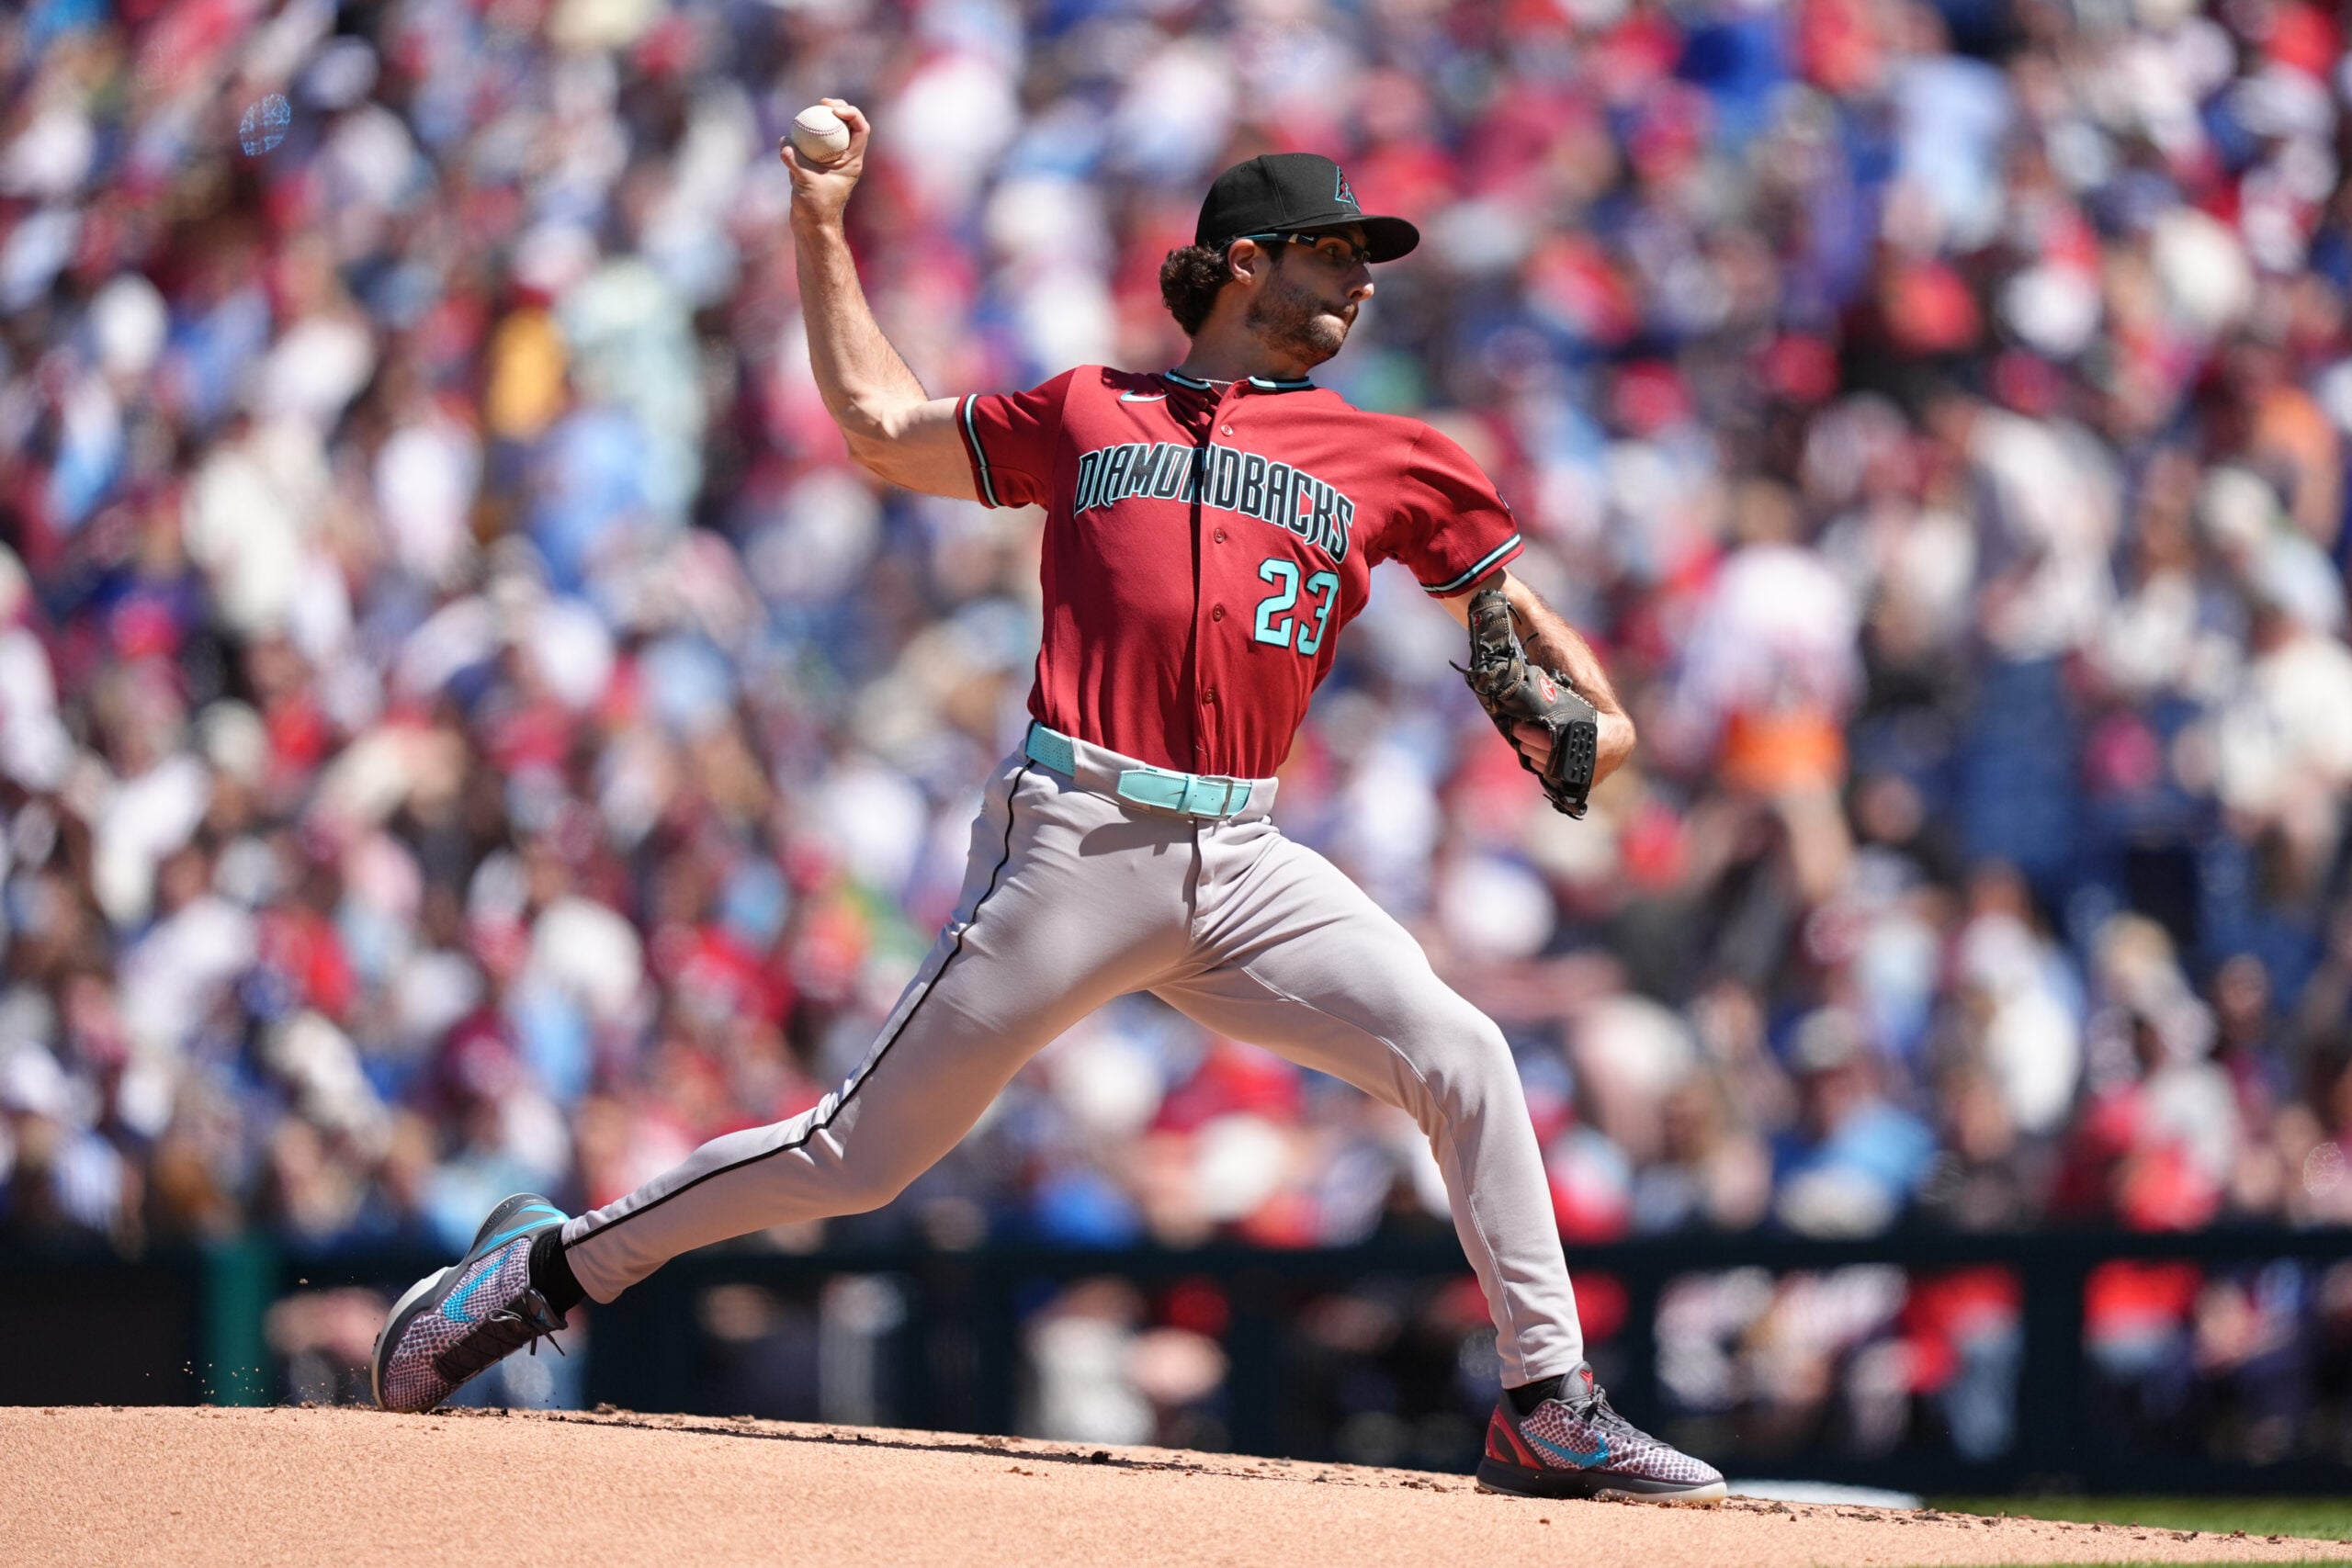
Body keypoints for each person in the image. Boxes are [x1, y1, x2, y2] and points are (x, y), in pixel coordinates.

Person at [371, 104, 1724, 1504]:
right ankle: (531, 1276)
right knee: (856, 1155)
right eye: (1331, 253)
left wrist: (1601, 715)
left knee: (1464, 1052)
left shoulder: (1391, 454)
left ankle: (1547, 1402)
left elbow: (1510, 608)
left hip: (1246, 856)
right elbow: (881, 428)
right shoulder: (1088, 410)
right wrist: (822, 223)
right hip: (1077, 837)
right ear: (1243, 264)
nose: (1360, 279)